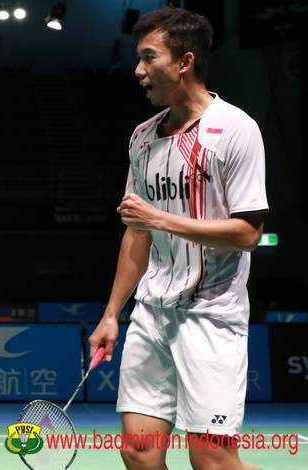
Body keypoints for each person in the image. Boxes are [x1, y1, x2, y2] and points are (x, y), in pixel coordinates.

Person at [89, 7, 268, 470]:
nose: (138, 70)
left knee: (211, 459)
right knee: (139, 452)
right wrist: (111, 314)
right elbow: (137, 232)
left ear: (185, 61)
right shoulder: (142, 138)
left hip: (211, 316)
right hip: (151, 313)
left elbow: (248, 233)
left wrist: (160, 219)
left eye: (149, 57)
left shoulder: (235, 129)